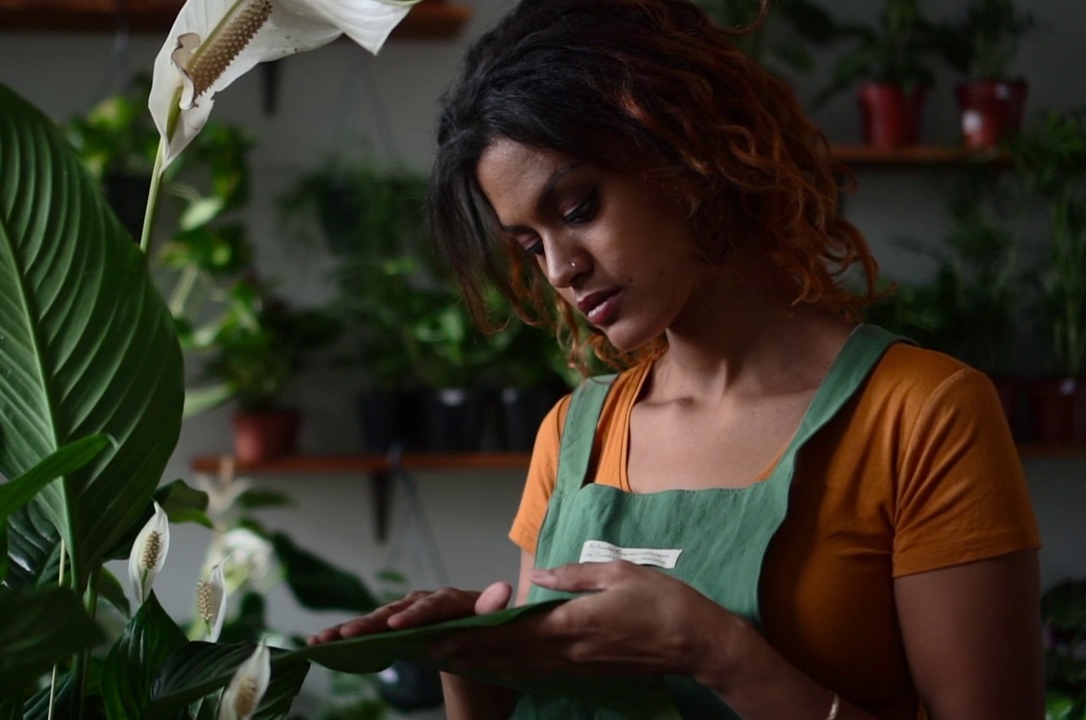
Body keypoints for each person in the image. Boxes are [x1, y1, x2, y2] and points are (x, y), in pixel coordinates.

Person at [308, 0, 1044, 717]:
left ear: (683, 151)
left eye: (577, 208)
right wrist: (470, 658)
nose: (561, 268)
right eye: (531, 245)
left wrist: (717, 652)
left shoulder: (921, 416)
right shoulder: (574, 438)